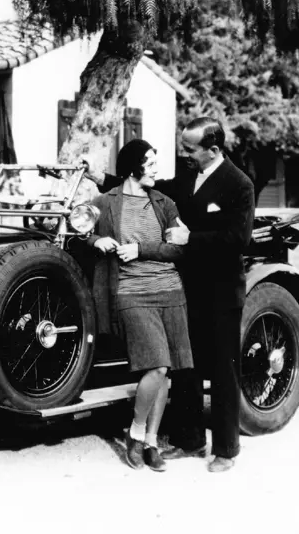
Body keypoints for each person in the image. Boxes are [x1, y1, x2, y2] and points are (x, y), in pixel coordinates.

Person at [87, 118, 256, 473]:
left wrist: (189, 239)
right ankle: (192, 441)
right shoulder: (187, 177)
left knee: (224, 370)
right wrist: (100, 178)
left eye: (191, 148)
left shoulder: (239, 184)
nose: (185, 153)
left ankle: (226, 449)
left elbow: (238, 240)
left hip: (222, 292)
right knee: (186, 368)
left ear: (213, 149)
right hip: (184, 288)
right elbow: (145, 183)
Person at [87, 139, 193, 472]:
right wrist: (96, 239)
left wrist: (142, 250)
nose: (156, 171)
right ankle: (135, 432)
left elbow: (179, 249)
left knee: (165, 373)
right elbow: (77, 232)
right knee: (157, 366)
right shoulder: (105, 202)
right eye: (151, 164)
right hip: (131, 292)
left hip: (170, 290)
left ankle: (150, 441)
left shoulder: (165, 203)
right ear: (134, 166)